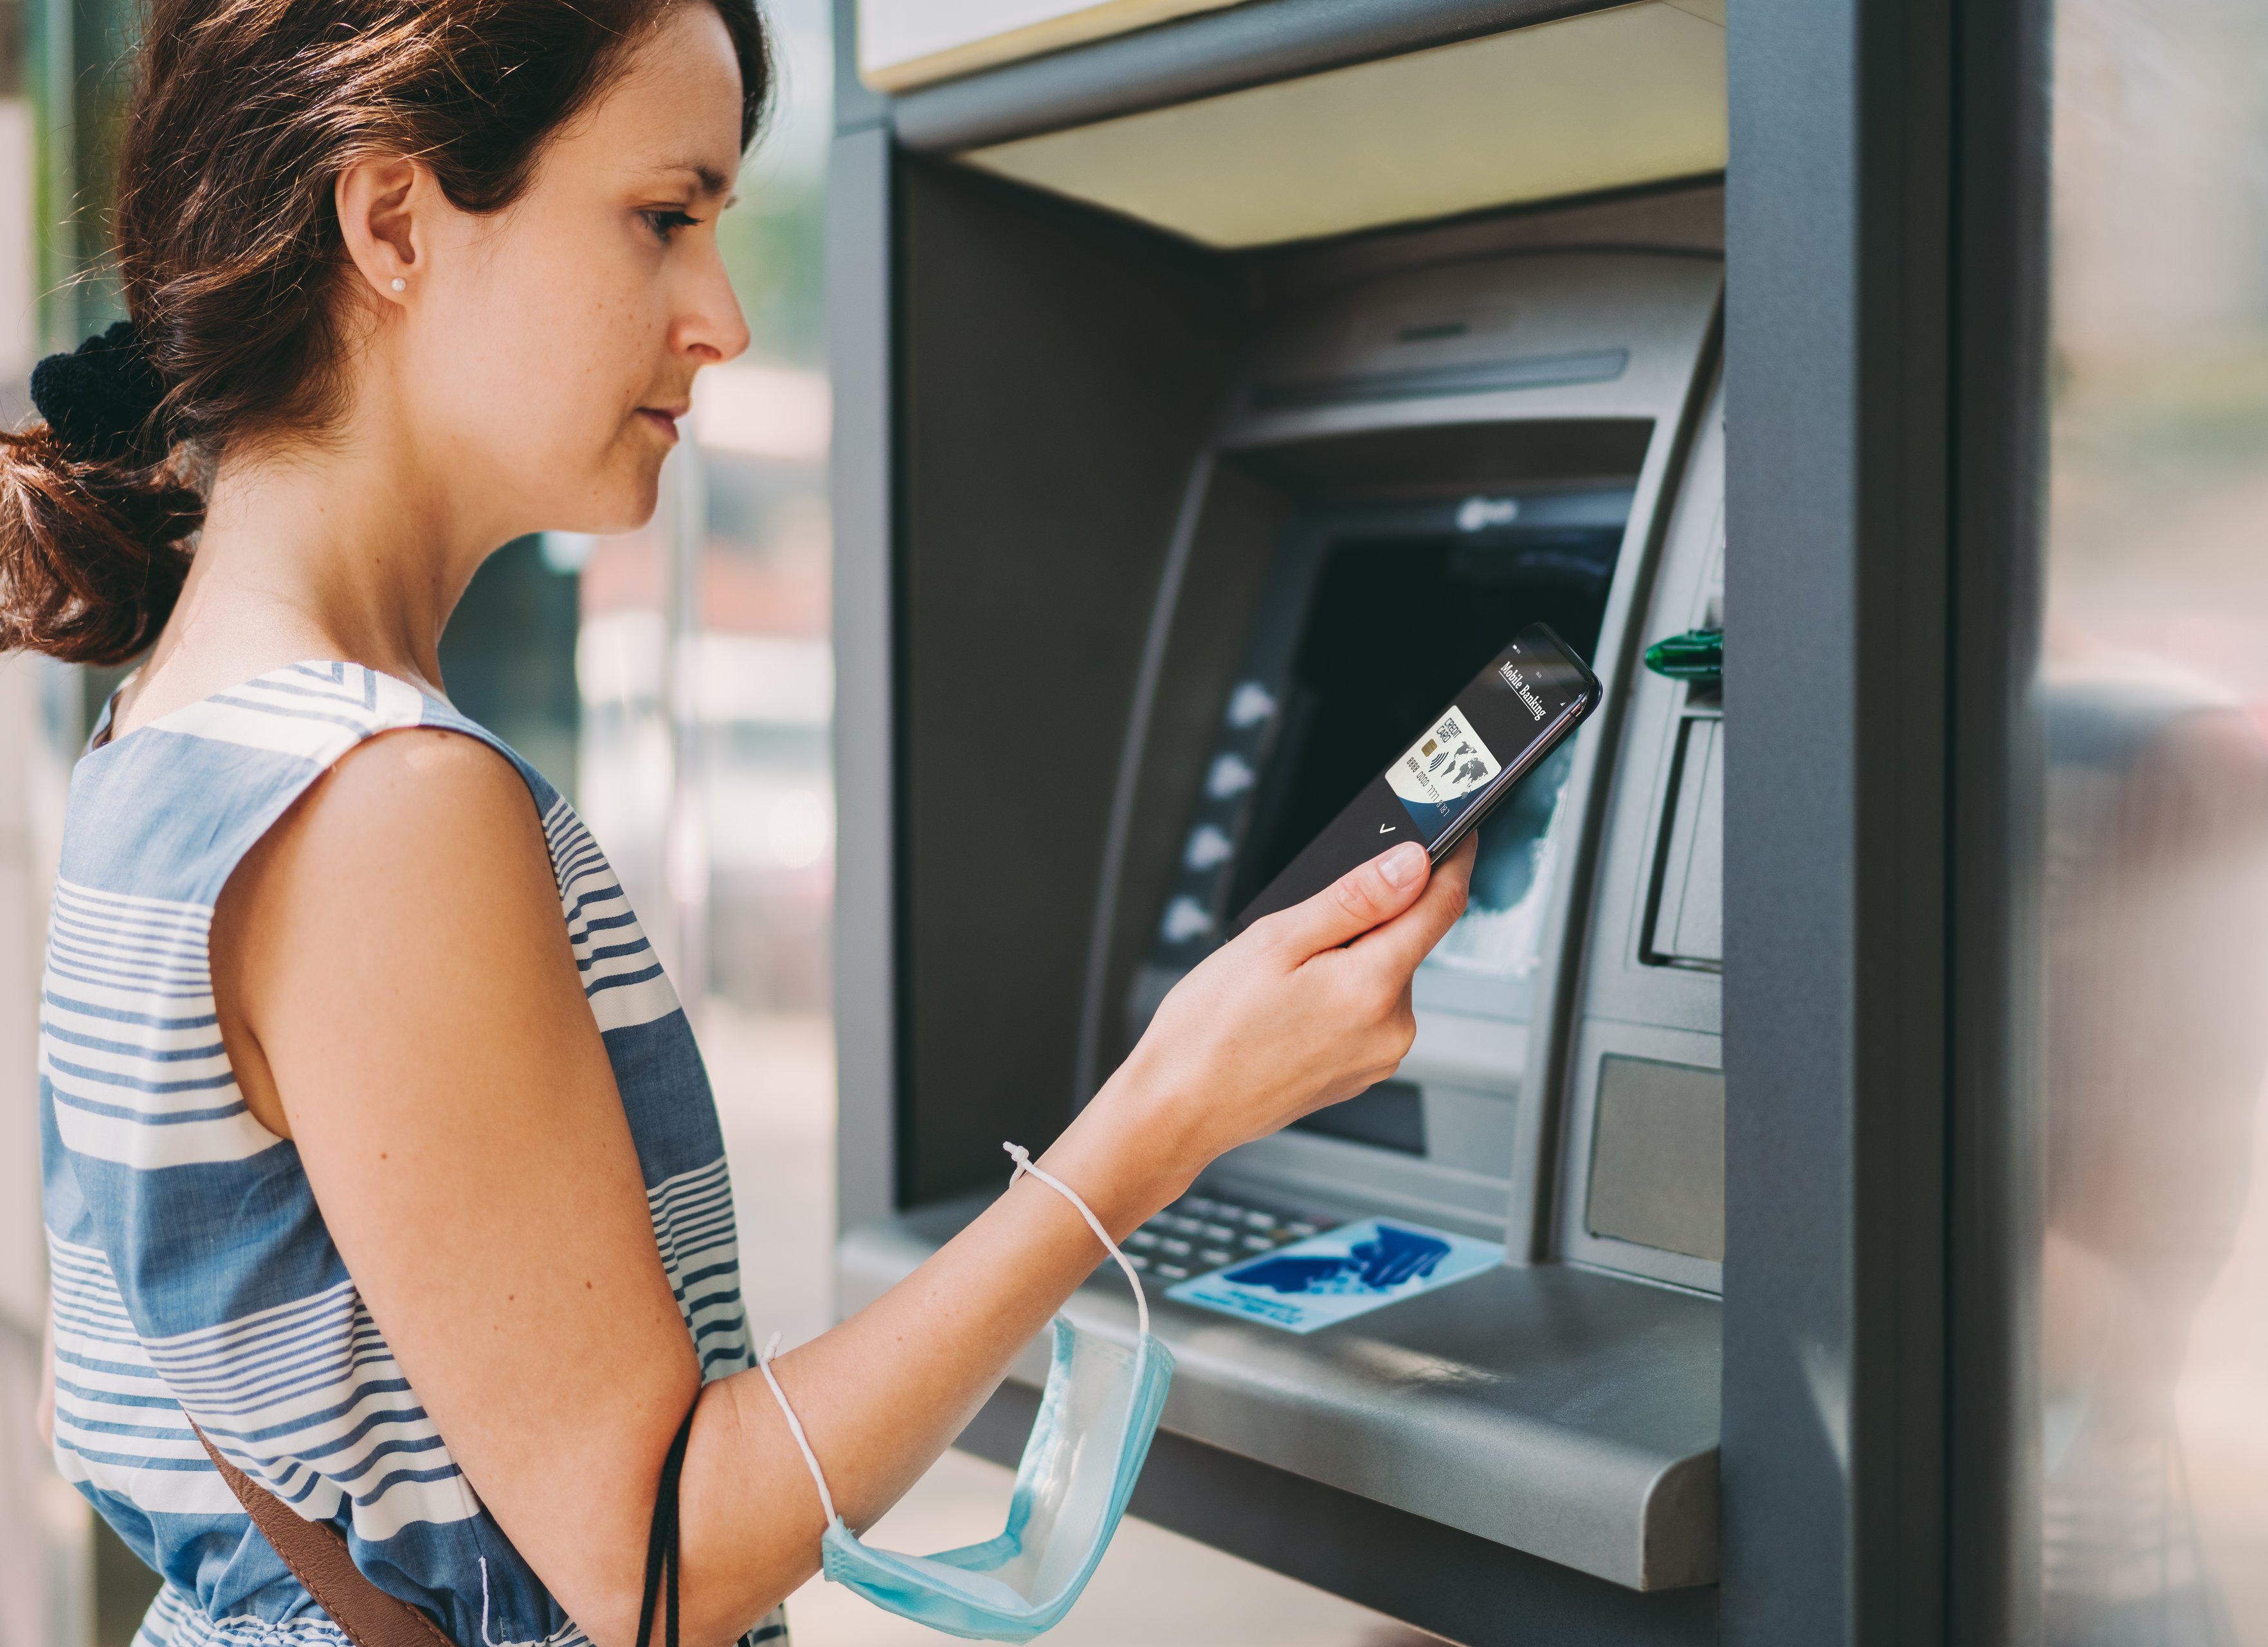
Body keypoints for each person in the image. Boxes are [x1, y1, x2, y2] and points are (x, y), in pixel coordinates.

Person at [4, 3, 1472, 1643]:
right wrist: (1164, 1117)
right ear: (396, 221)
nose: (723, 317)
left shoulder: (176, 729)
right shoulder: (382, 801)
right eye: (665, 218)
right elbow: (657, 1564)